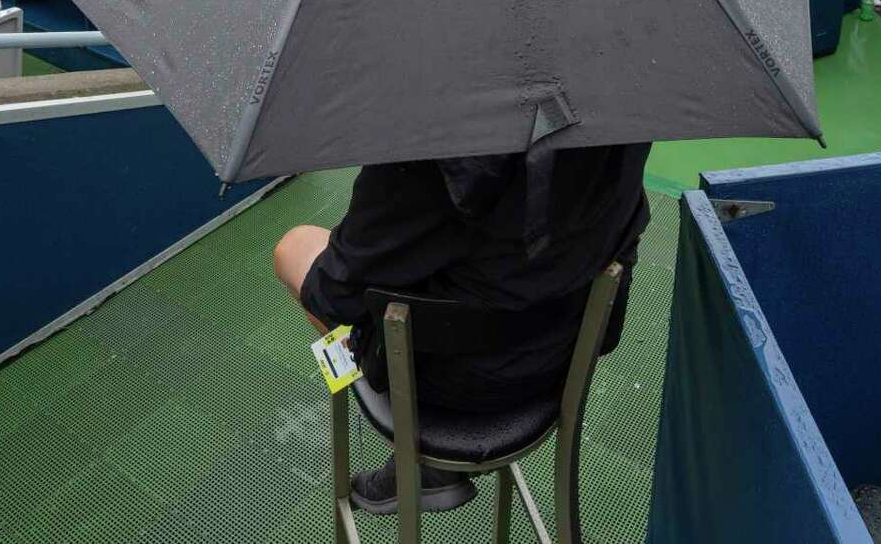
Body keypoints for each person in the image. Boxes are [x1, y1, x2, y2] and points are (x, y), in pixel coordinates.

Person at [272, 142, 651, 516]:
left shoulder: (438, 143)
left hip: (450, 382)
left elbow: (335, 294)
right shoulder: (623, 116)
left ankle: (418, 451)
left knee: (293, 248)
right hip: (565, 351)